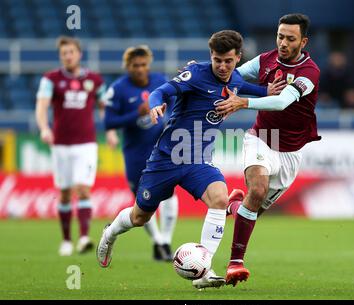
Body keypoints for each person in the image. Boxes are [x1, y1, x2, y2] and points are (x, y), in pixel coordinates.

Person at [96, 30, 284, 289]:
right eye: (217, 59)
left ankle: (204, 271)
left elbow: (258, 92)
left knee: (219, 198)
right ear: (211, 56)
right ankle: (110, 233)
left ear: (238, 58)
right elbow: (162, 90)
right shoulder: (195, 74)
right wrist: (156, 104)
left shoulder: (237, 80)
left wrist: (270, 90)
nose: (222, 66)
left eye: (228, 61)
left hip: (198, 160)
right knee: (140, 217)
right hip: (167, 158)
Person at [213, 13, 321, 286]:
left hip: (290, 153)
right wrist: (205, 70)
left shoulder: (310, 73)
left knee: (251, 208)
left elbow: (283, 101)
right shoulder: (265, 60)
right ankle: (235, 263)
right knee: (258, 190)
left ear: (303, 41)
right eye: (280, 36)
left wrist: (243, 103)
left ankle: (235, 204)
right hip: (261, 137)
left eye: (290, 38)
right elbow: (231, 74)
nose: (283, 43)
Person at [102, 45, 179, 261]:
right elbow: (109, 121)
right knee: (142, 199)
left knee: (170, 193)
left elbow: (174, 101)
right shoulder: (118, 89)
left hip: (162, 148)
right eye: (135, 66)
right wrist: (136, 114)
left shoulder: (160, 80)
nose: (140, 69)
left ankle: (165, 240)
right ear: (128, 66)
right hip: (135, 151)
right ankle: (157, 241)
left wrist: (168, 119)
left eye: (143, 65)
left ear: (148, 65)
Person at [35, 36, 106, 256]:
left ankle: (84, 237)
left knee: (83, 189)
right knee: (65, 193)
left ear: (79, 54)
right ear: (60, 56)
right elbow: (42, 106)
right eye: (64, 53)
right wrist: (44, 128)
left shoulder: (94, 80)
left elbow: (105, 107)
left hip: (86, 144)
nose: (68, 56)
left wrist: (111, 130)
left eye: (71, 52)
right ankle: (66, 239)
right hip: (61, 145)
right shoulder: (51, 79)